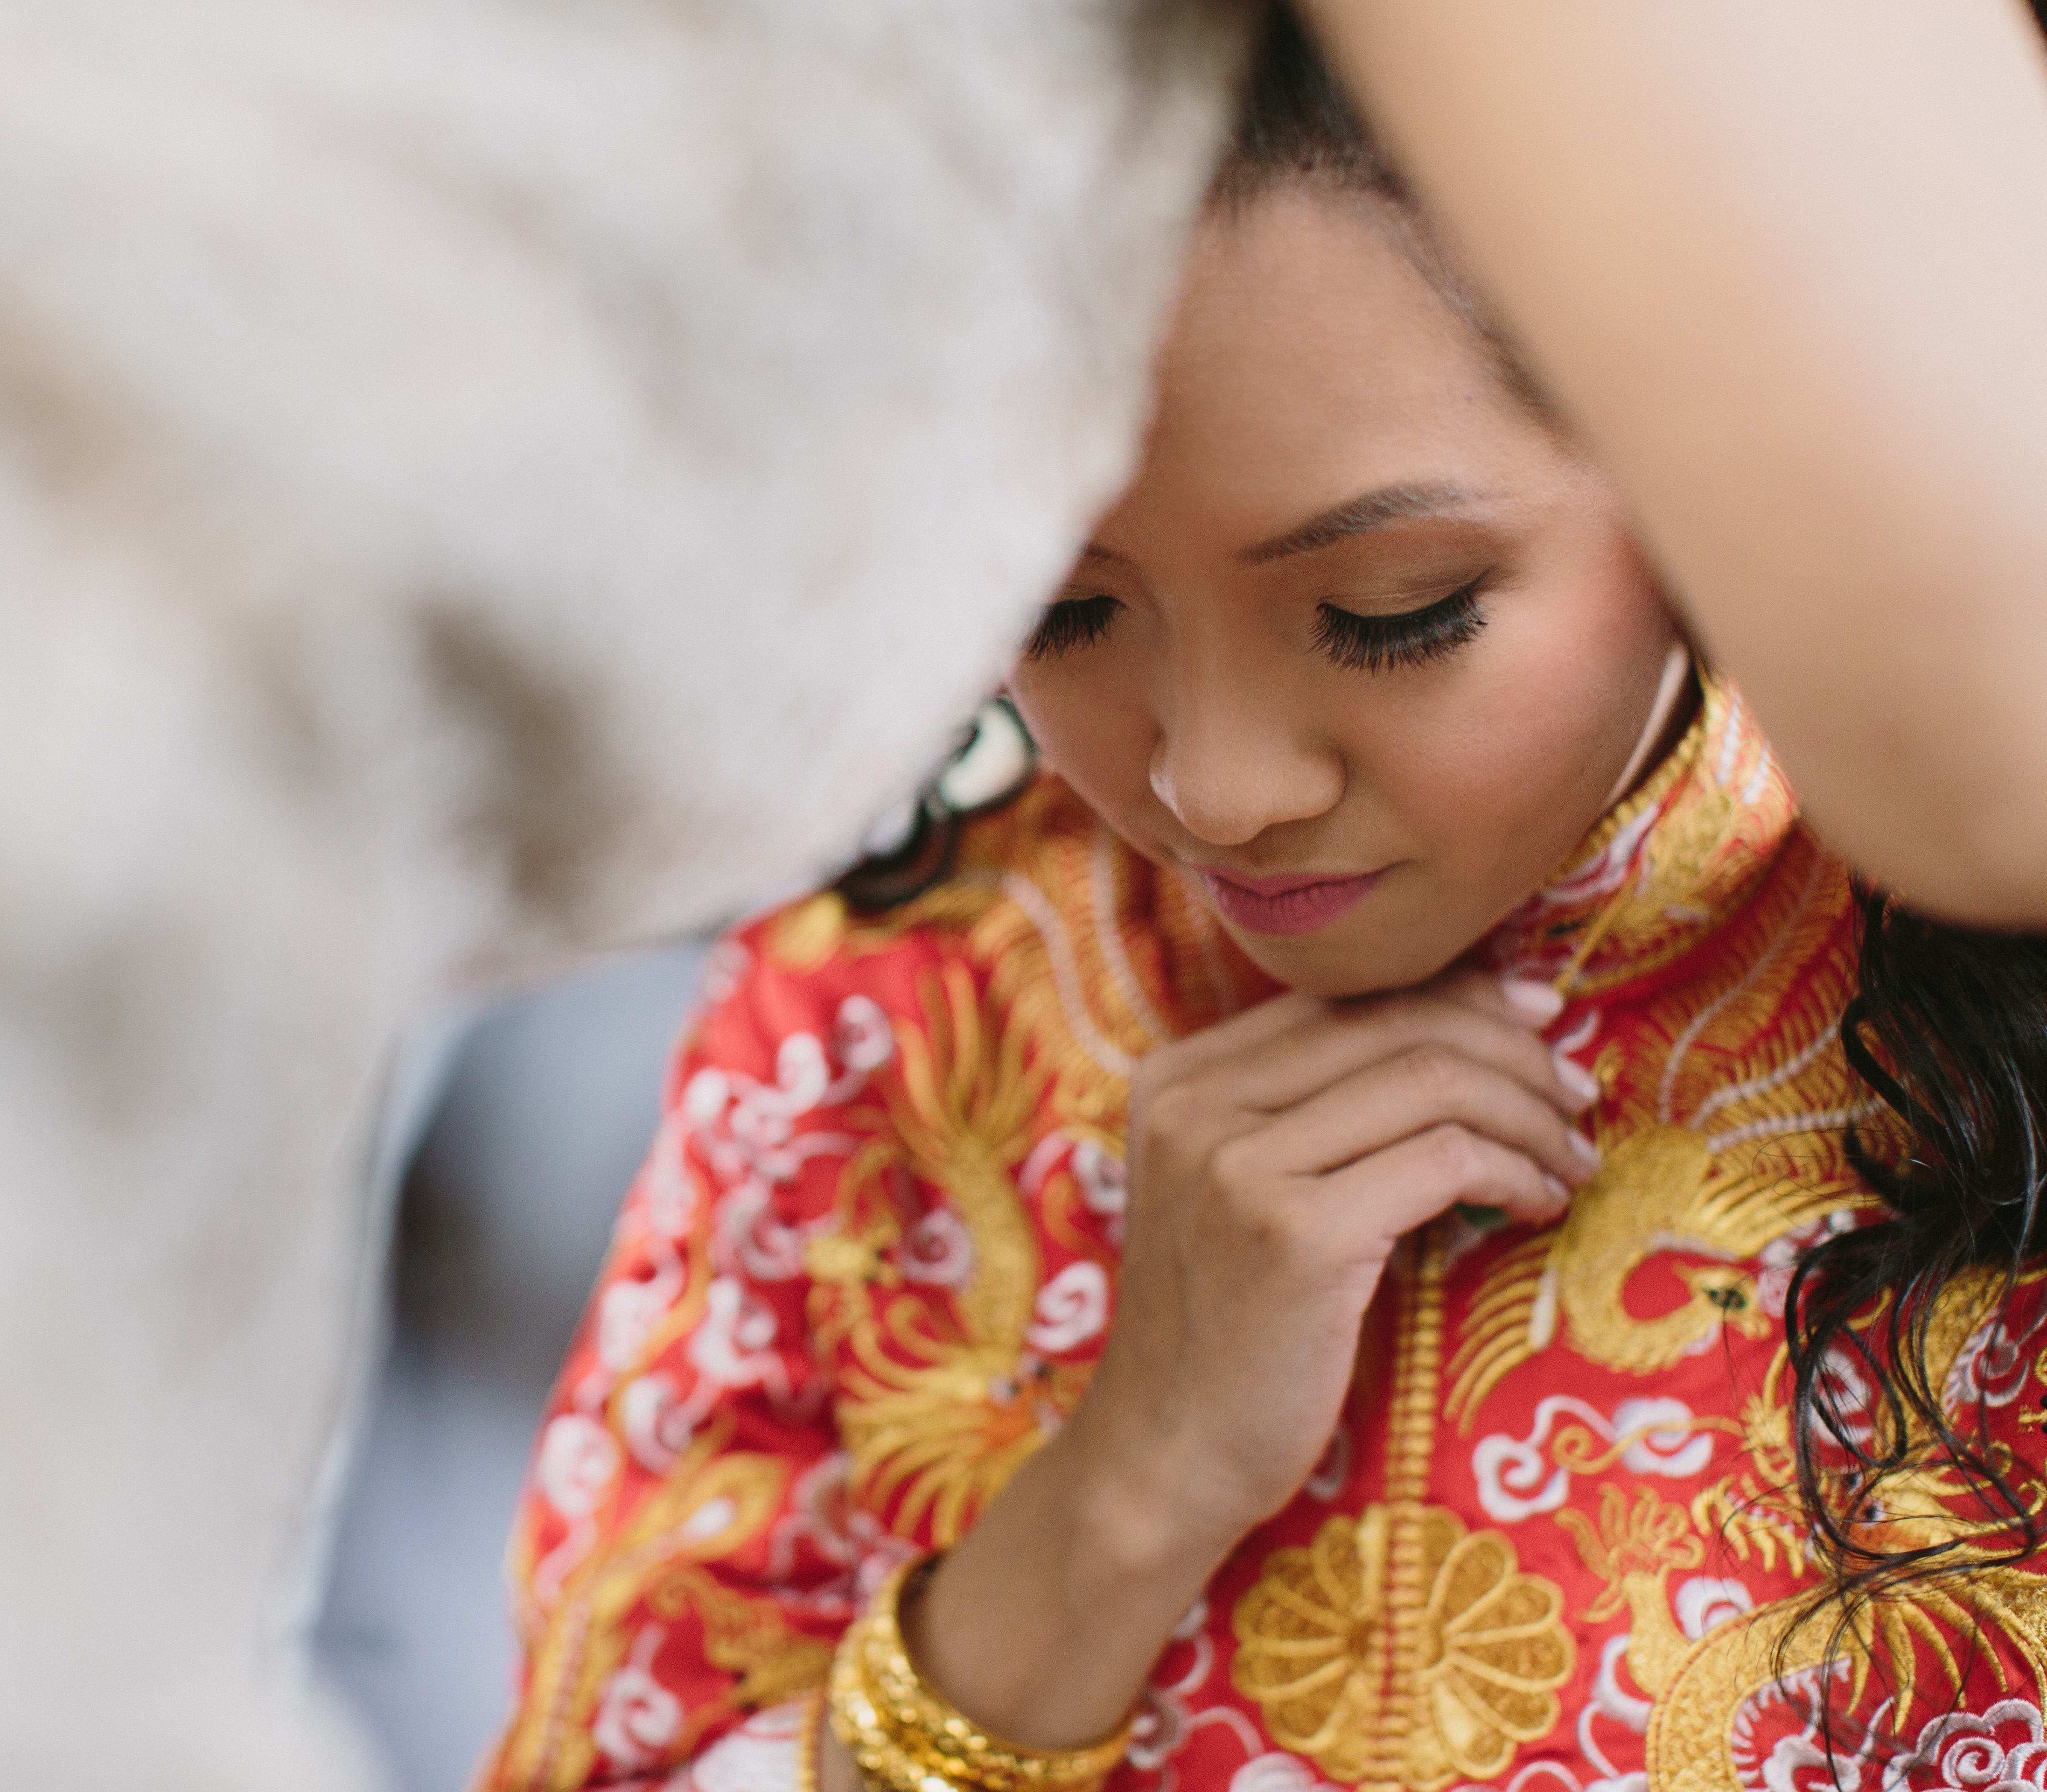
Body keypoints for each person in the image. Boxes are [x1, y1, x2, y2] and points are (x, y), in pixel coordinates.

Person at [481, 11, 2047, 1792]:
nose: (1213, 786)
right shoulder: (875, 1023)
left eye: (1395, 609)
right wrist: (1110, 1509)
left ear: (1701, 485)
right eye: (1065, 613)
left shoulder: (1988, 981)